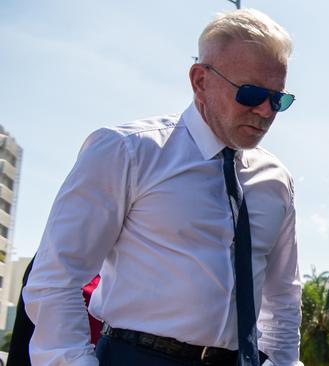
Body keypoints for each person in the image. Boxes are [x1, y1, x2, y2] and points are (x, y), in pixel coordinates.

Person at [23, 9, 301, 366]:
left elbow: (283, 299)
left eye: (279, 99)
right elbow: (56, 278)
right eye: (250, 94)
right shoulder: (127, 151)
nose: (265, 111)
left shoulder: (276, 179)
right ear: (200, 80)